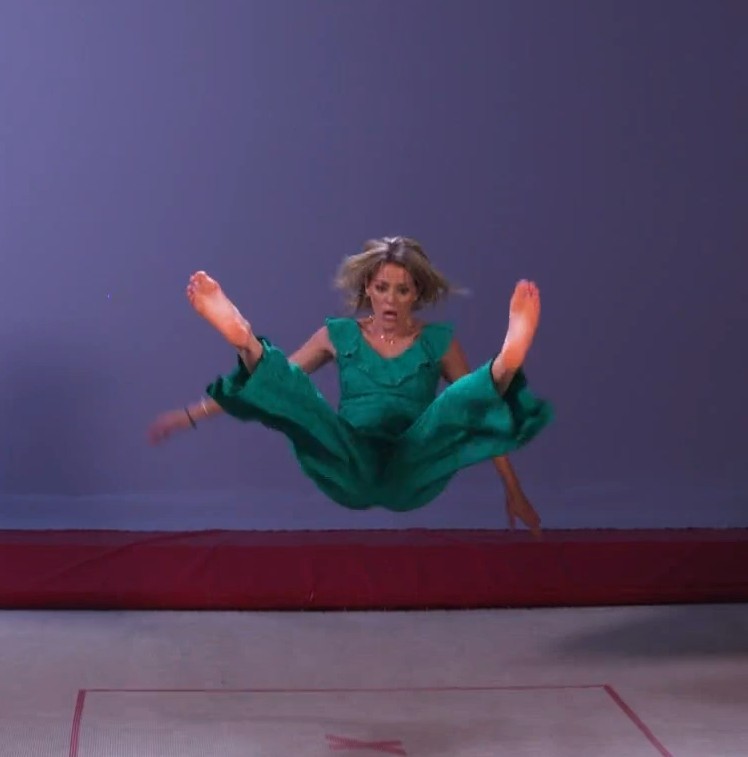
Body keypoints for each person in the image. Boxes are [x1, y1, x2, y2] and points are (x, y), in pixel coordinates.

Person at [148, 236, 553, 536]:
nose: (390, 300)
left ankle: (506, 362)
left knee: (453, 404)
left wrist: (513, 489)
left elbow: (478, 416)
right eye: (382, 288)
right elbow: (276, 388)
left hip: (411, 467)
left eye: (402, 290)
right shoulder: (338, 335)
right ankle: (246, 341)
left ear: (417, 294)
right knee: (298, 393)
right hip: (348, 460)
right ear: (368, 290)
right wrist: (192, 414)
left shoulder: (438, 342)